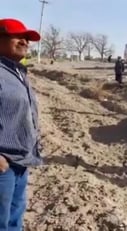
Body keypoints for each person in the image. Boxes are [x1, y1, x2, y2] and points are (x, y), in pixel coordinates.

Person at [0, 18, 43, 230]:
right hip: (2, 165)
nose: (25, 41)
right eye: (18, 36)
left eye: (27, 38)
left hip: (20, 162)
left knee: (14, 220)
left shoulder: (17, 72)